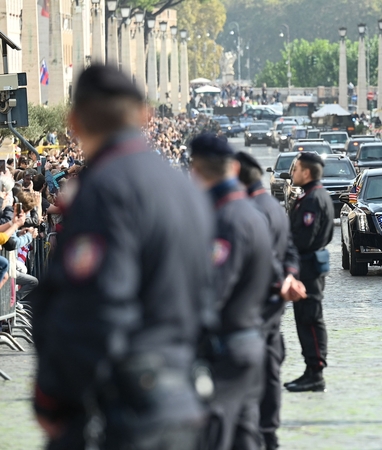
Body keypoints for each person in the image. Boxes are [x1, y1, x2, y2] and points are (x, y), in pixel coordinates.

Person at [31, 65, 215, 449]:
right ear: (145, 114)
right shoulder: (184, 189)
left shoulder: (103, 190)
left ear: (74, 121)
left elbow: (94, 309)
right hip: (182, 397)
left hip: (121, 409)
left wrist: (52, 397)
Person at [190, 134, 274, 450]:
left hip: (227, 349)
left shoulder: (227, 220)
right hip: (250, 341)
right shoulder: (252, 213)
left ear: (196, 170)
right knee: (244, 438)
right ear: (234, 167)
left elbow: (212, 293)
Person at [234, 152, 304, 450]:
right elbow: (289, 250)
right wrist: (289, 277)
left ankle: (258, 433)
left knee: (254, 376)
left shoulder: (246, 210)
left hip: (254, 302)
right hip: (274, 302)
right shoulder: (274, 207)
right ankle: (269, 431)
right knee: (271, 368)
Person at [284, 152, 334, 393]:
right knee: (306, 318)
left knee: (310, 319)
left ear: (306, 172)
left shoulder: (313, 198)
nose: (292, 173)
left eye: (296, 169)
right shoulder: (316, 195)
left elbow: (304, 237)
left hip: (308, 267)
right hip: (309, 264)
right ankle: (311, 369)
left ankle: (315, 372)